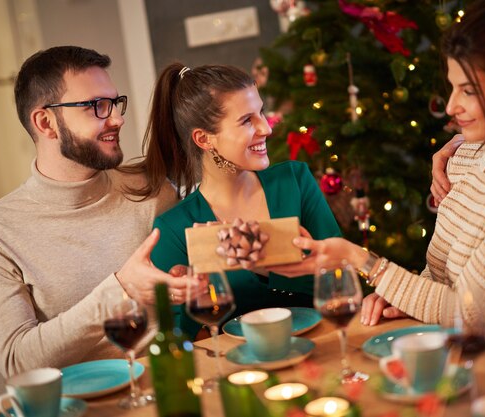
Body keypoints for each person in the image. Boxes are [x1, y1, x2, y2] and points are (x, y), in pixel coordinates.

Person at [283, 0, 485, 363]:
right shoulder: (464, 154)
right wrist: (405, 295)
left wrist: (364, 261)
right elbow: (441, 273)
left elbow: (466, 308)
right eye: (452, 87)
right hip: (461, 353)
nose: (450, 107)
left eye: (468, 90)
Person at [0, 46, 195, 377]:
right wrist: (122, 289)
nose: (117, 119)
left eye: (115, 103)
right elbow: (17, 364)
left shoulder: (153, 191)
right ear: (45, 122)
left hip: (171, 385)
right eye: (95, 107)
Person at [126, 63, 341, 339]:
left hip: (324, 346)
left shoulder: (294, 180)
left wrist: (270, 260)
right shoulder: (173, 229)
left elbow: (341, 275)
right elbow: (186, 338)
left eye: (260, 112)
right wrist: (194, 296)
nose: (266, 128)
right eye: (246, 120)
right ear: (204, 139)